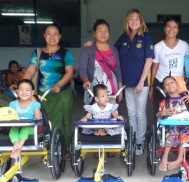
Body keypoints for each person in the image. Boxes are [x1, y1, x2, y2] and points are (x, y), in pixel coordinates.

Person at [22, 23, 74, 151]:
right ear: (44, 35)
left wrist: (58, 84)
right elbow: (30, 71)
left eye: (55, 34)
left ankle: (65, 149)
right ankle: (49, 150)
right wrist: (22, 85)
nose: (52, 37)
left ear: (60, 36)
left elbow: (69, 72)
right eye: (49, 34)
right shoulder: (37, 53)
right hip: (43, 95)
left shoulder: (65, 53)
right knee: (45, 123)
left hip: (63, 94)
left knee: (64, 123)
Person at [115, 8, 155, 156]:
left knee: (140, 113)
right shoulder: (123, 37)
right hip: (127, 83)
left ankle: (140, 141)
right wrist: (92, 45)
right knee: (131, 113)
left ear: (141, 21)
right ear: (127, 21)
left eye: (137, 19)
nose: (134, 21)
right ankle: (132, 138)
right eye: (131, 19)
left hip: (141, 83)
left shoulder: (146, 37)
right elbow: (112, 51)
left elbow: (149, 60)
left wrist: (141, 81)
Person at [156, 76, 189, 171]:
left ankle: (179, 160)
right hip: (173, 127)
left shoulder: (187, 99)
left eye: (172, 82)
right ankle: (165, 157)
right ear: (164, 89)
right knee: (173, 131)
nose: (170, 85)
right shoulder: (164, 102)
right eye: (167, 84)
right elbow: (158, 117)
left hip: (188, 126)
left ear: (177, 85)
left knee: (184, 132)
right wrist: (162, 113)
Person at [149, 16, 189, 122]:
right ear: (164, 29)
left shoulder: (184, 46)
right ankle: (159, 135)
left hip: (178, 84)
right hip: (160, 83)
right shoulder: (158, 47)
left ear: (178, 30)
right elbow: (154, 68)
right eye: (168, 26)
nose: (171, 29)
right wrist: (151, 87)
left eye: (174, 27)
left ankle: (179, 134)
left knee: (180, 111)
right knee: (159, 111)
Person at [79, 19, 123, 105]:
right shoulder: (88, 50)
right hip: (94, 91)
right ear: (94, 33)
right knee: (94, 115)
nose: (103, 34)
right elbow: (82, 69)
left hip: (112, 90)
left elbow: (118, 70)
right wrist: (85, 80)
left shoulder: (114, 50)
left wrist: (120, 89)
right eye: (100, 31)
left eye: (106, 31)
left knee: (111, 115)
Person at [9, 79, 41, 158]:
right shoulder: (12, 104)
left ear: (32, 92)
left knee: (25, 129)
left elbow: (38, 119)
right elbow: (9, 117)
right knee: (12, 130)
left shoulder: (35, 104)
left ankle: (19, 148)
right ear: (17, 91)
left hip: (32, 128)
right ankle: (16, 143)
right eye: (21, 90)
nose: (24, 92)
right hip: (17, 126)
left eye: (27, 90)